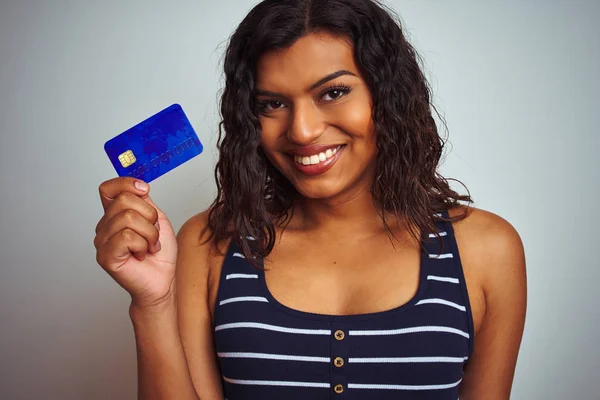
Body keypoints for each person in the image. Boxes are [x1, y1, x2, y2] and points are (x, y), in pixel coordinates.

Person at [94, 0, 527, 399]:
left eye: (333, 93)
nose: (301, 130)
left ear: (386, 94)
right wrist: (152, 305)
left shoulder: (485, 250)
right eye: (273, 104)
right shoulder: (210, 246)